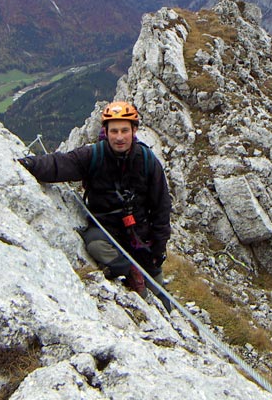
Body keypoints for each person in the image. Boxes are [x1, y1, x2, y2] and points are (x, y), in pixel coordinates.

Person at [18, 101, 172, 309]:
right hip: (107, 230)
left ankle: (163, 307)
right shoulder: (93, 155)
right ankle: (129, 272)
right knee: (95, 244)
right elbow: (60, 164)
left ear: (134, 131)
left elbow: (161, 206)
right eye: (114, 131)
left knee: (161, 296)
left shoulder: (146, 160)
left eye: (124, 130)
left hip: (140, 236)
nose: (119, 137)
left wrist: (158, 248)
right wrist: (31, 164)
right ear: (106, 132)